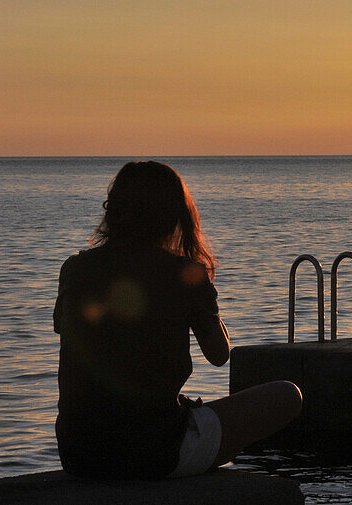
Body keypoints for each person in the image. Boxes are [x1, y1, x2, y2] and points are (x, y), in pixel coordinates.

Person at [53, 160, 302, 479]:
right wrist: (204, 294)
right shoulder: (184, 272)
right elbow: (219, 354)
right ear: (173, 215)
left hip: (78, 455)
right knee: (287, 395)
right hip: (153, 453)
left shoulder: (74, 269)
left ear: (113, 211)